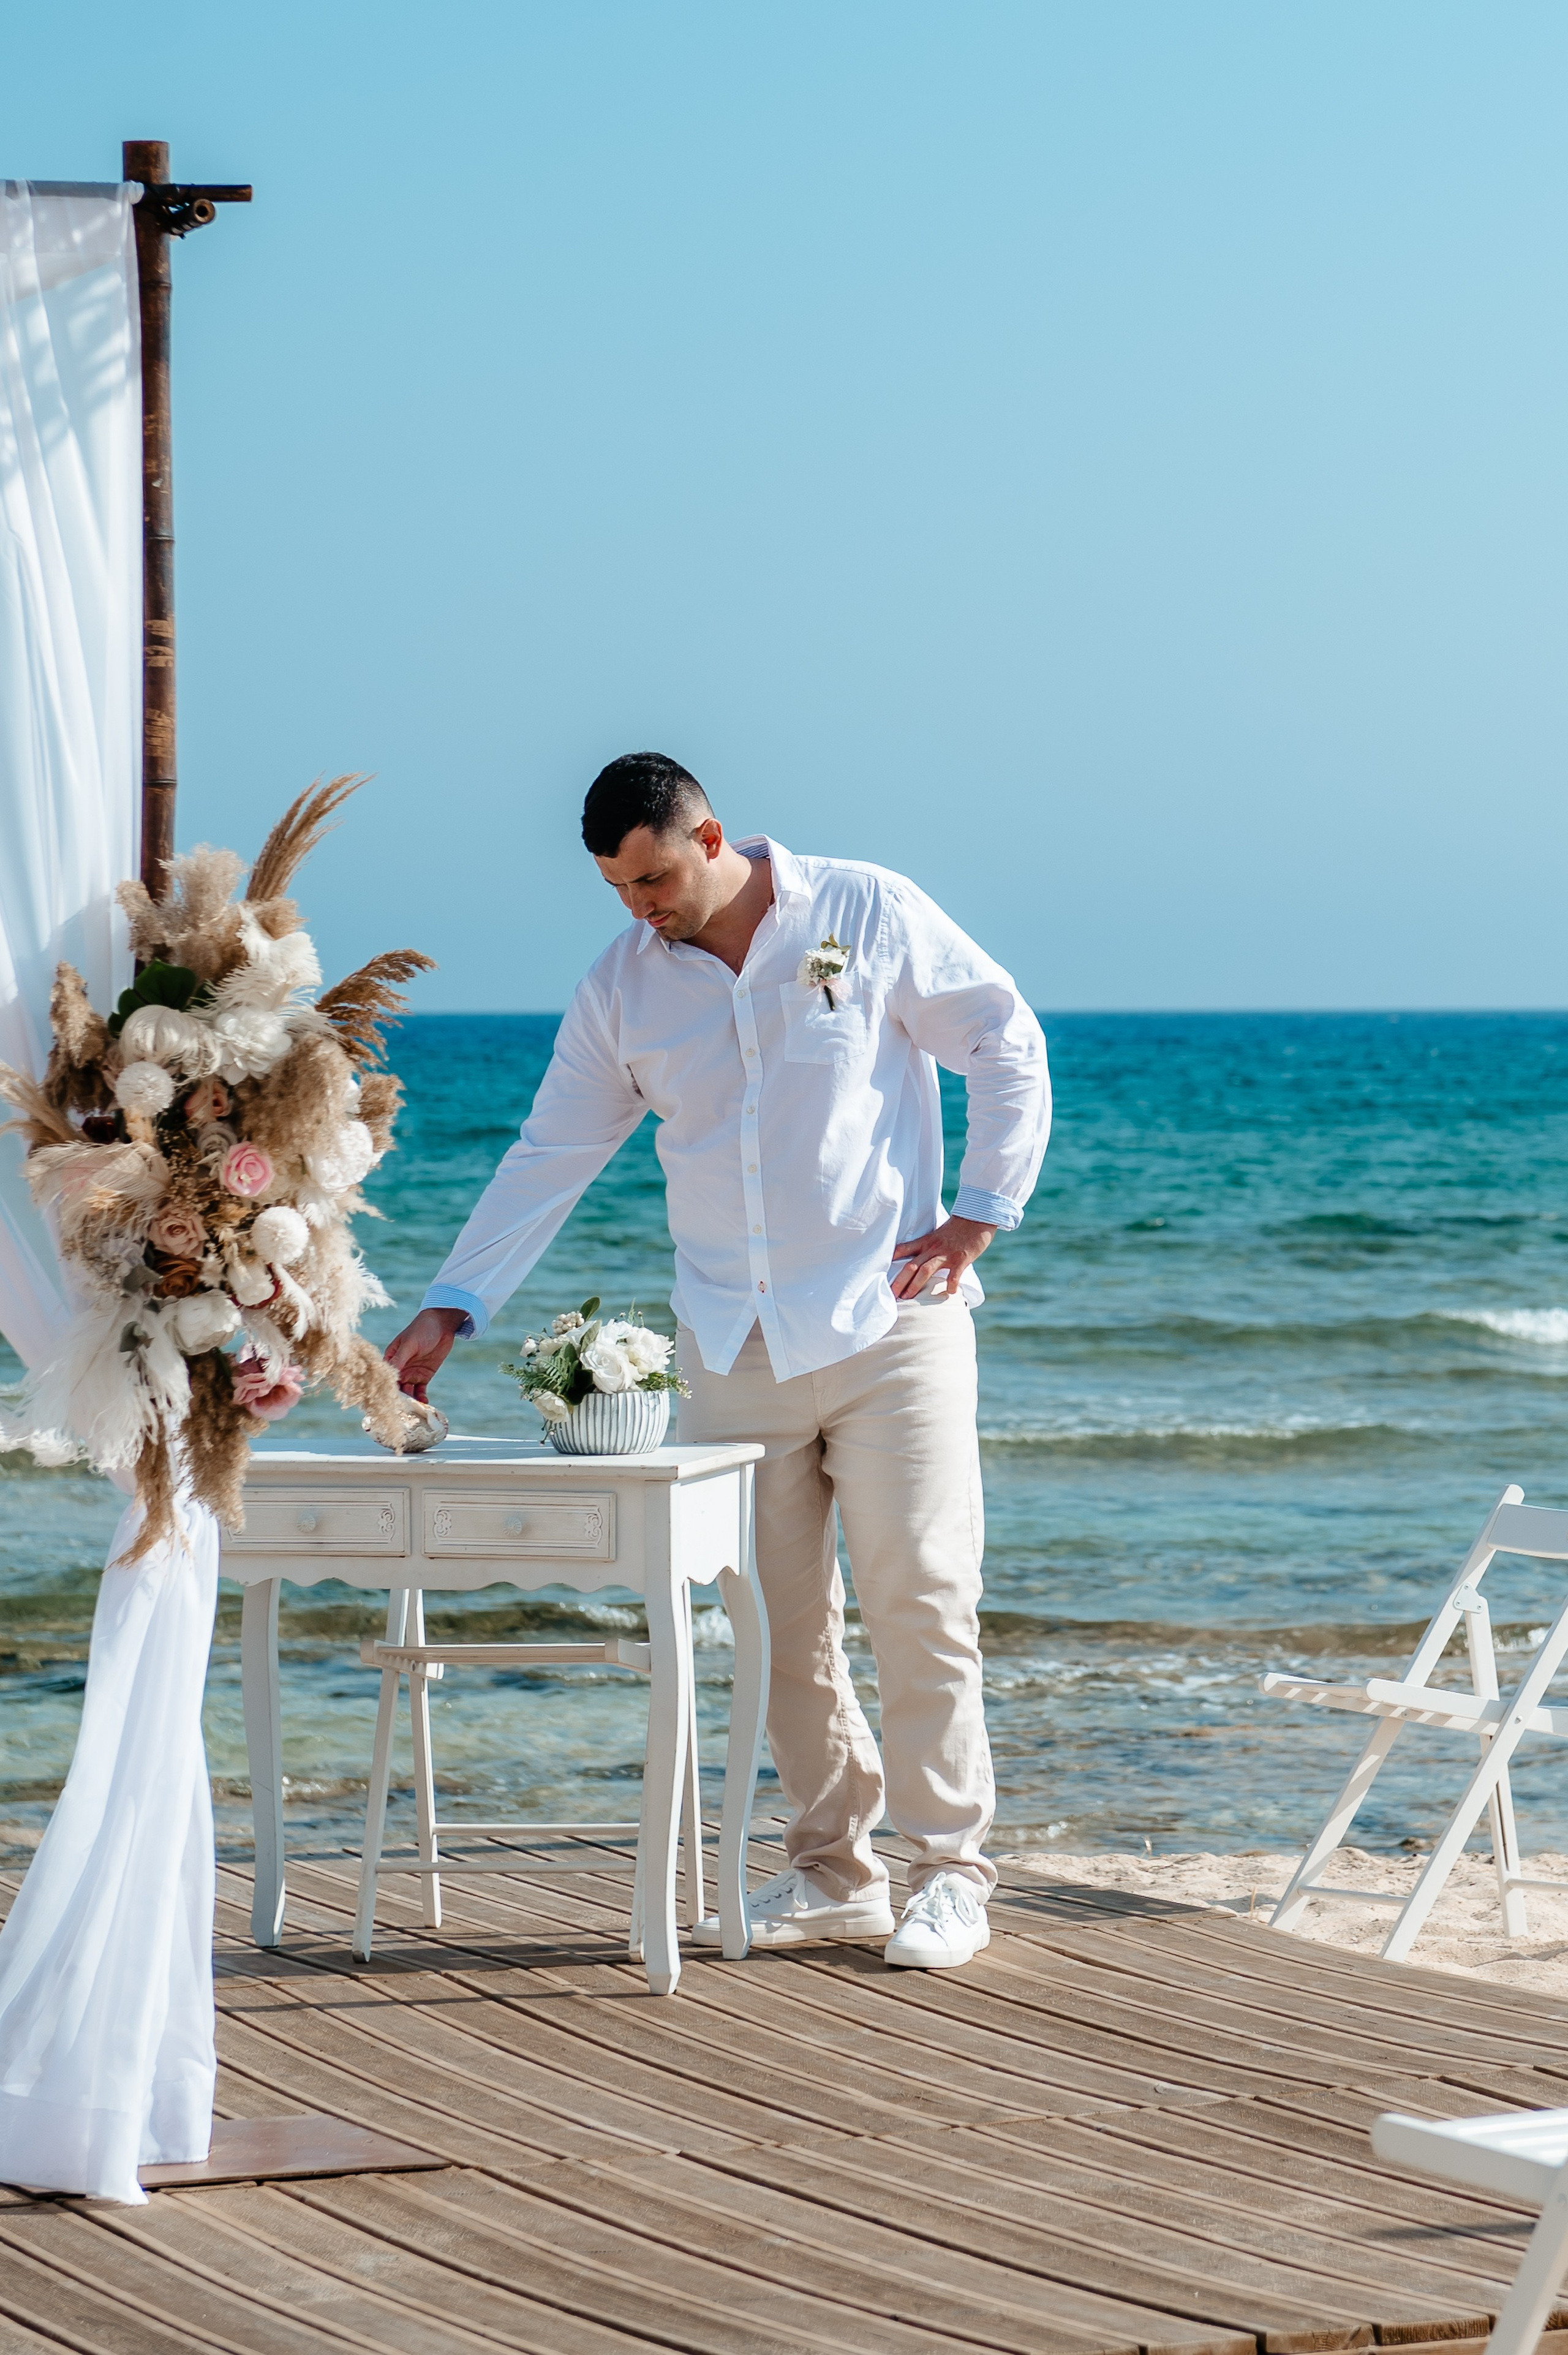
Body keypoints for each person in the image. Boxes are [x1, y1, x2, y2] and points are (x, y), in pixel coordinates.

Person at [386, 754, 1051, 1969]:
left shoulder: (862, 910)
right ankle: (832, 1871)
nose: (639, 906)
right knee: (777, 1625)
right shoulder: (620, 991)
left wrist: (977, 1211)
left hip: (889, 1321)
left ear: (709, 834)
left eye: (651, 876)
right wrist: (451, 1307)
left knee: (921, 1598)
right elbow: (549, 1155)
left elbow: (1001, 1036)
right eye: (615, 888)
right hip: (730, 1341)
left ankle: (950, 1872)